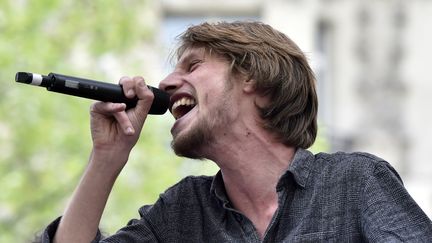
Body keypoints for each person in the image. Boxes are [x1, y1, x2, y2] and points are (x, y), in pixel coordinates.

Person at [41, 21, 432, 242]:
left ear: (255, 81)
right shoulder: (182, 212)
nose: (167, 82)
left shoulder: (354, 182)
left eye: (192, 66)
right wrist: (106, 159)